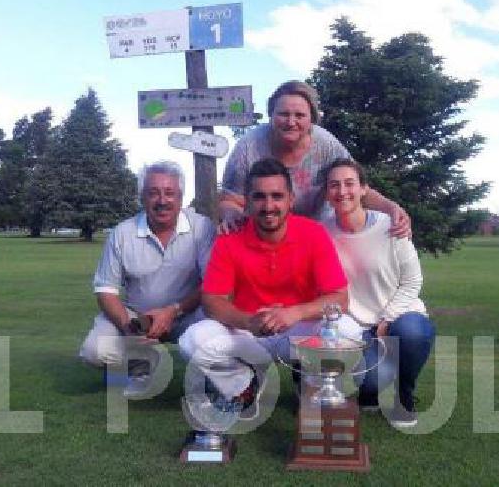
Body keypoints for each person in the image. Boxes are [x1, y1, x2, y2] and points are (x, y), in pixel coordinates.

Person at [178, 158, 363, 420]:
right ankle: (245, 383)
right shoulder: (230, 237)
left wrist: (294, 313)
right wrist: (248, 321)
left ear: (291, 199)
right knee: (193, 339)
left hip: (296, 333)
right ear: (247, 201)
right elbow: (212, 301)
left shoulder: (313, 233)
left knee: (348, 330)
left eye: (277, 196)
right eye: (260, 197)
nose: (268, 206)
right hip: (249, 333)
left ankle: (311, 385)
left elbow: (339, 299)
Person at [78, 160, 215, 394]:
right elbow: (105, 290)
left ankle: (214, 375)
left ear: (181, 197)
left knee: (216, 329)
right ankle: (138, 365)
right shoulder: (123, 233)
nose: (162, 201)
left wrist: (173, 311)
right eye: (153, 193)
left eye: (169, 193)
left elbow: (212, 284)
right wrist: (128, 326)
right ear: (142, 197)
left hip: (186, 313)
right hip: (137, 318)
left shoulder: (202, 228)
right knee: (95, 351)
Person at [318, 158, 436, 428]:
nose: (342, 191)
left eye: (350, 183)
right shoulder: (322, 232)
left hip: (401, 315)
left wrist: (387, 319)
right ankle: (370, 391)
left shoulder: (391, 226)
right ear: (326, 194)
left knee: (414, 333)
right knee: (370, 379)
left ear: (363, 189)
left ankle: (404, 394)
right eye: (334, 185)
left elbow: (412, 281)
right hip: (356, 324)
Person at [217, 80, 412, 238]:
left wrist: (391, 208)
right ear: (271, 115)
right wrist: (231, 215)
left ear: (312, 119)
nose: (291, 122)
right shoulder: (248, 147)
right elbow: (230, 199)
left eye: (299, 115)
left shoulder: (327, 145)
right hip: (266, 232)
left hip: (319, 233)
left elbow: (357, 187)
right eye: (283, 114)